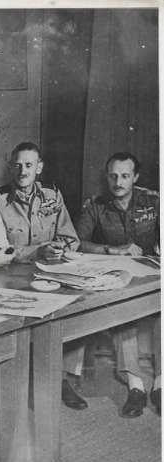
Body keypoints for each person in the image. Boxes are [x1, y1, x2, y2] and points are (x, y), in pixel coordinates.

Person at [0, 142, 88, 410]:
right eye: (18, 165)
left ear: (39, 167)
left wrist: (60, 249)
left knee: (76, 310)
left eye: (29, 165)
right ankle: (25, 383)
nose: (23, 171)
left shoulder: (52, 195)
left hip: (53, 272)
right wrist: (38, 251)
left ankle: (60, 378)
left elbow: (71, 238)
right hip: (12, 277)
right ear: (11, 167)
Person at [77, 151, 160, 417]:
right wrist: (113, 250)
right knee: (125, 312)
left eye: (125, 176)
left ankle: (160, 383)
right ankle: (136, 385)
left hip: (154, 275)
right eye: (113, 176)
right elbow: (77, 242)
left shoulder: (154, 201)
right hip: (120, 277)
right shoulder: (96, 205)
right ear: (107, 177)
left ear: (135, 177)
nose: (118, 182)